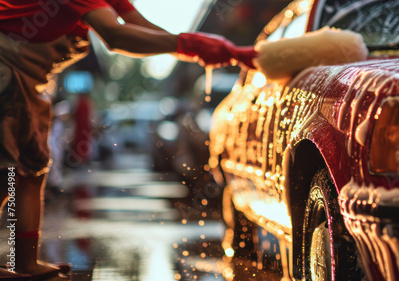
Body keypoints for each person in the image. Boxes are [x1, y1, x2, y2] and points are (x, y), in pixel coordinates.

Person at [0, 0, 257, 280]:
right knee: (6, 171)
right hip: (7, 70)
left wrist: (200, 47)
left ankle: (24, 263)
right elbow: (117, 36)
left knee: (30, 168)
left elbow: (141, 27)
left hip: (30, 78)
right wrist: (191, 45)